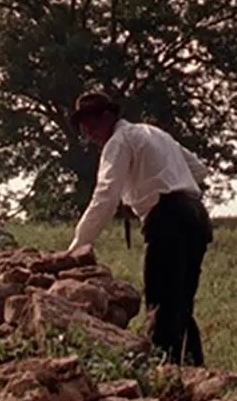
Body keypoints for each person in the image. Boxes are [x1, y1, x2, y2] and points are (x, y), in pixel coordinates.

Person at [66, 91, 213, 366]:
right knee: (181, 303)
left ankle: (164, 373)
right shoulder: (155, 133)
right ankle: (194, 371)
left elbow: (105, 196)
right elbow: (200, 170)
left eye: (91, 124)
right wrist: (167, 181)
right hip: (196, 217)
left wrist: (77, 247)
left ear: (108, 116)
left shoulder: (118, 141)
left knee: (161, 302)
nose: (88, 133)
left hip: (168, 218)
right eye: (83, 127)